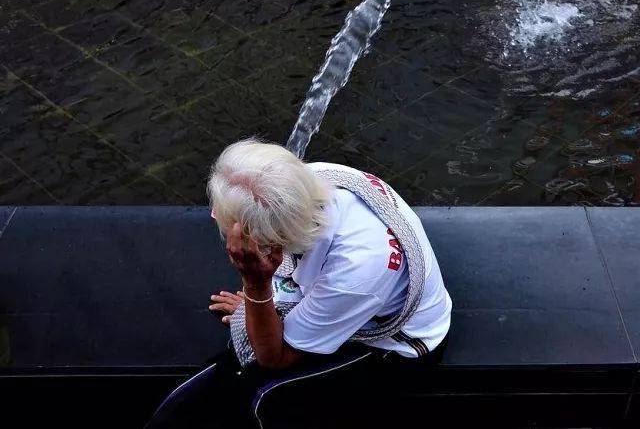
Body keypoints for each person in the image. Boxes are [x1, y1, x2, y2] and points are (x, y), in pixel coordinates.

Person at [146, 138, 452, 428]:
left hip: (396, 345)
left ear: (268, 242)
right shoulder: (315, 179)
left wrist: (256, 286)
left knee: (263, 396)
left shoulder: (355, 272)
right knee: (200, 393)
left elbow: (275, 358)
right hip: (355, 298)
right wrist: (263, 311)